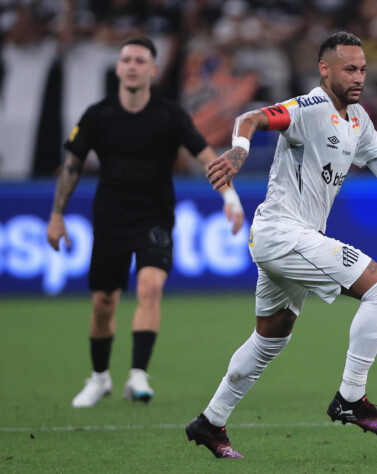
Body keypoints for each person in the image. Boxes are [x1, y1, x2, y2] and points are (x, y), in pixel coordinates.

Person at [185, 31, 377, 459]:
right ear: (325, 69)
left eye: (363, 69)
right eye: (350, 69)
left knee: (270, 339)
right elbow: (250, 118)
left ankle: (209, 421)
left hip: (292, 238)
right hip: (284, 233)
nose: (359, 77)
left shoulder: (358, 118)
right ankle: (351, 397)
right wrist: (239, 152)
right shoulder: (310, 107)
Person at [46, 37, 244, 408]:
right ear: (118, 68)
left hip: (154, 217)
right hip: (109, 219)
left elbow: (207, 158)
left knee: (150, 286)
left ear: (153, 70)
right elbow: (71, 167)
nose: (132, 65)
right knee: (104, 302)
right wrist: (57, 215)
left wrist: (230, 199)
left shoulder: (169, 115)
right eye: (126, 59)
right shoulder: (98, 115)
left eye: (140, 60)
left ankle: (137, 375)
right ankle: (100, 378)